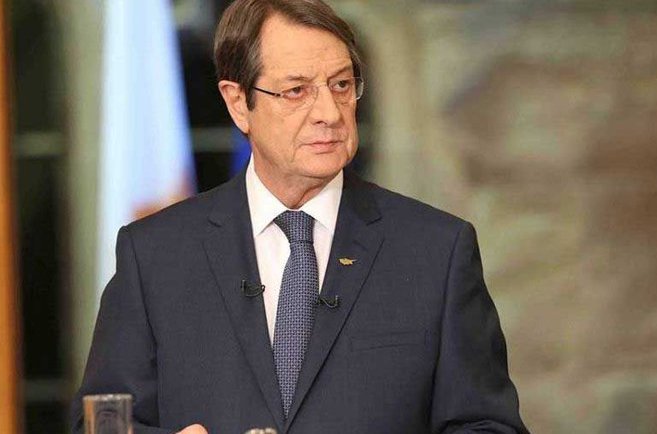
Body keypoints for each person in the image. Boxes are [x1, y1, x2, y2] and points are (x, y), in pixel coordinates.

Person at [72, 0, 528, 433]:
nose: (329, 113)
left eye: (341, 85)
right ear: (238, 103)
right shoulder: (155, 256)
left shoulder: (436, 251)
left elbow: (487, 425)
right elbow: (103, 423)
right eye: (297, 91)